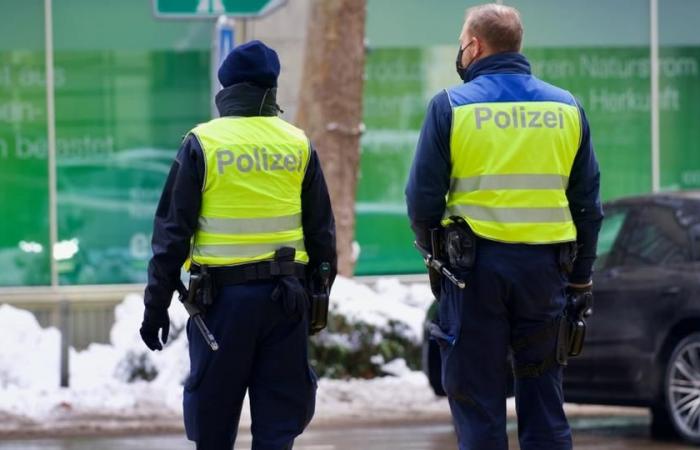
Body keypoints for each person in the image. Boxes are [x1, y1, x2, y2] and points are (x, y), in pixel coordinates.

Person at [405, 4, 602, 450]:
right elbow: (587, 205)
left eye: (461, 43)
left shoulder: (451, 106)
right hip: (545, 274)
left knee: (478, 403)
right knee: (544, 403)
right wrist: (580, 279)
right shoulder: (566, 108)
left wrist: (436, 259)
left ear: (474, 46)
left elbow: (421, 201)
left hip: (474, 274)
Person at [139, 40, 337, 450]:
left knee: (213, 422)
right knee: (278, 427)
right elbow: (322, 235)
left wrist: (155, 305)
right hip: (286, 302)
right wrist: (318, 297)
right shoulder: (298, 143)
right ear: (272, 89)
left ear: (226, 89)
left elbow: (171, 235)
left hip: (220, 307)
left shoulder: (202, 143)